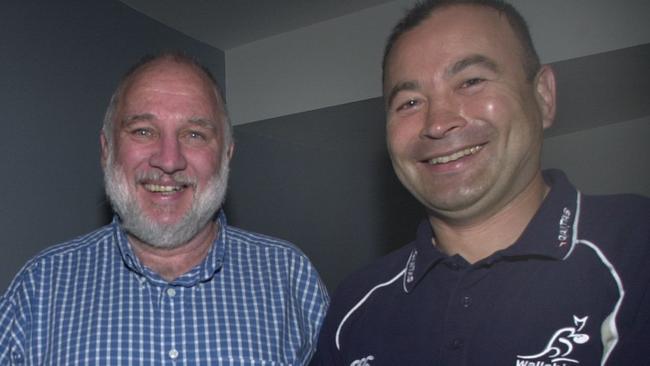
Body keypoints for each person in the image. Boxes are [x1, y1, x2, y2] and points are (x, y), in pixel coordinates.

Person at [312, 1, 650, 365]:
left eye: (471, 81)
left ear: (543, 96)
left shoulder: (636, 246)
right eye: (409, 102)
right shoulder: (354, 306)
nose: (437, 123)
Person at [0, 52, 328, 365]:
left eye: (195, 134)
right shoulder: (39, 288)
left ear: (226, 155)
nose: (169, 160)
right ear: (106, 151)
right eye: (143, 131)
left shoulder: (289, 277)